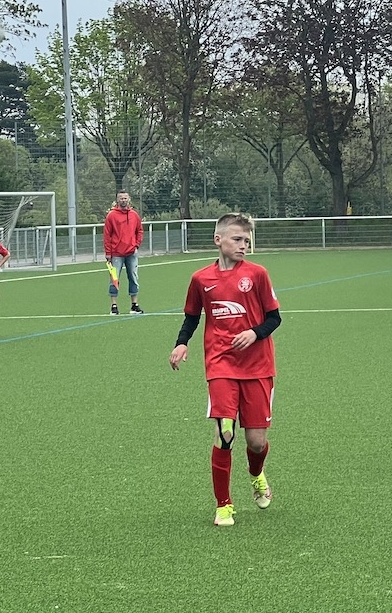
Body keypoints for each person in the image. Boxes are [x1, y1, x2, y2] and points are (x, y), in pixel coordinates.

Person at [170, 213, 280, 527]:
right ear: (218, 240)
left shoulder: (258, 274)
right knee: (225, 433)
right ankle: (224, 505)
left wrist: (254, 333)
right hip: (220, 364)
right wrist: (181, 343)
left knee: (256, 442)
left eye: (247, 240)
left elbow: (274, 318)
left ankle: (256, 473)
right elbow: (192, 316)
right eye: (237, 239)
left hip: (258, 366)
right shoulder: (201, 279)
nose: (244, 245)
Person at [104, 190, 143, 315]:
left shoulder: (134, 215)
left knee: (133, 277)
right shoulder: (111, 216)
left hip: (131, 253)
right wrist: (108, 253)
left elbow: (139, 231)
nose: (123, 200)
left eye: (125, 198)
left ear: (129, 199)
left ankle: (134, 305)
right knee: (114, 279)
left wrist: (136, 245)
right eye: (121, 198)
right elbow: (107, 235)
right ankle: (114, 306)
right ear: (117, 200)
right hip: (116, 253)